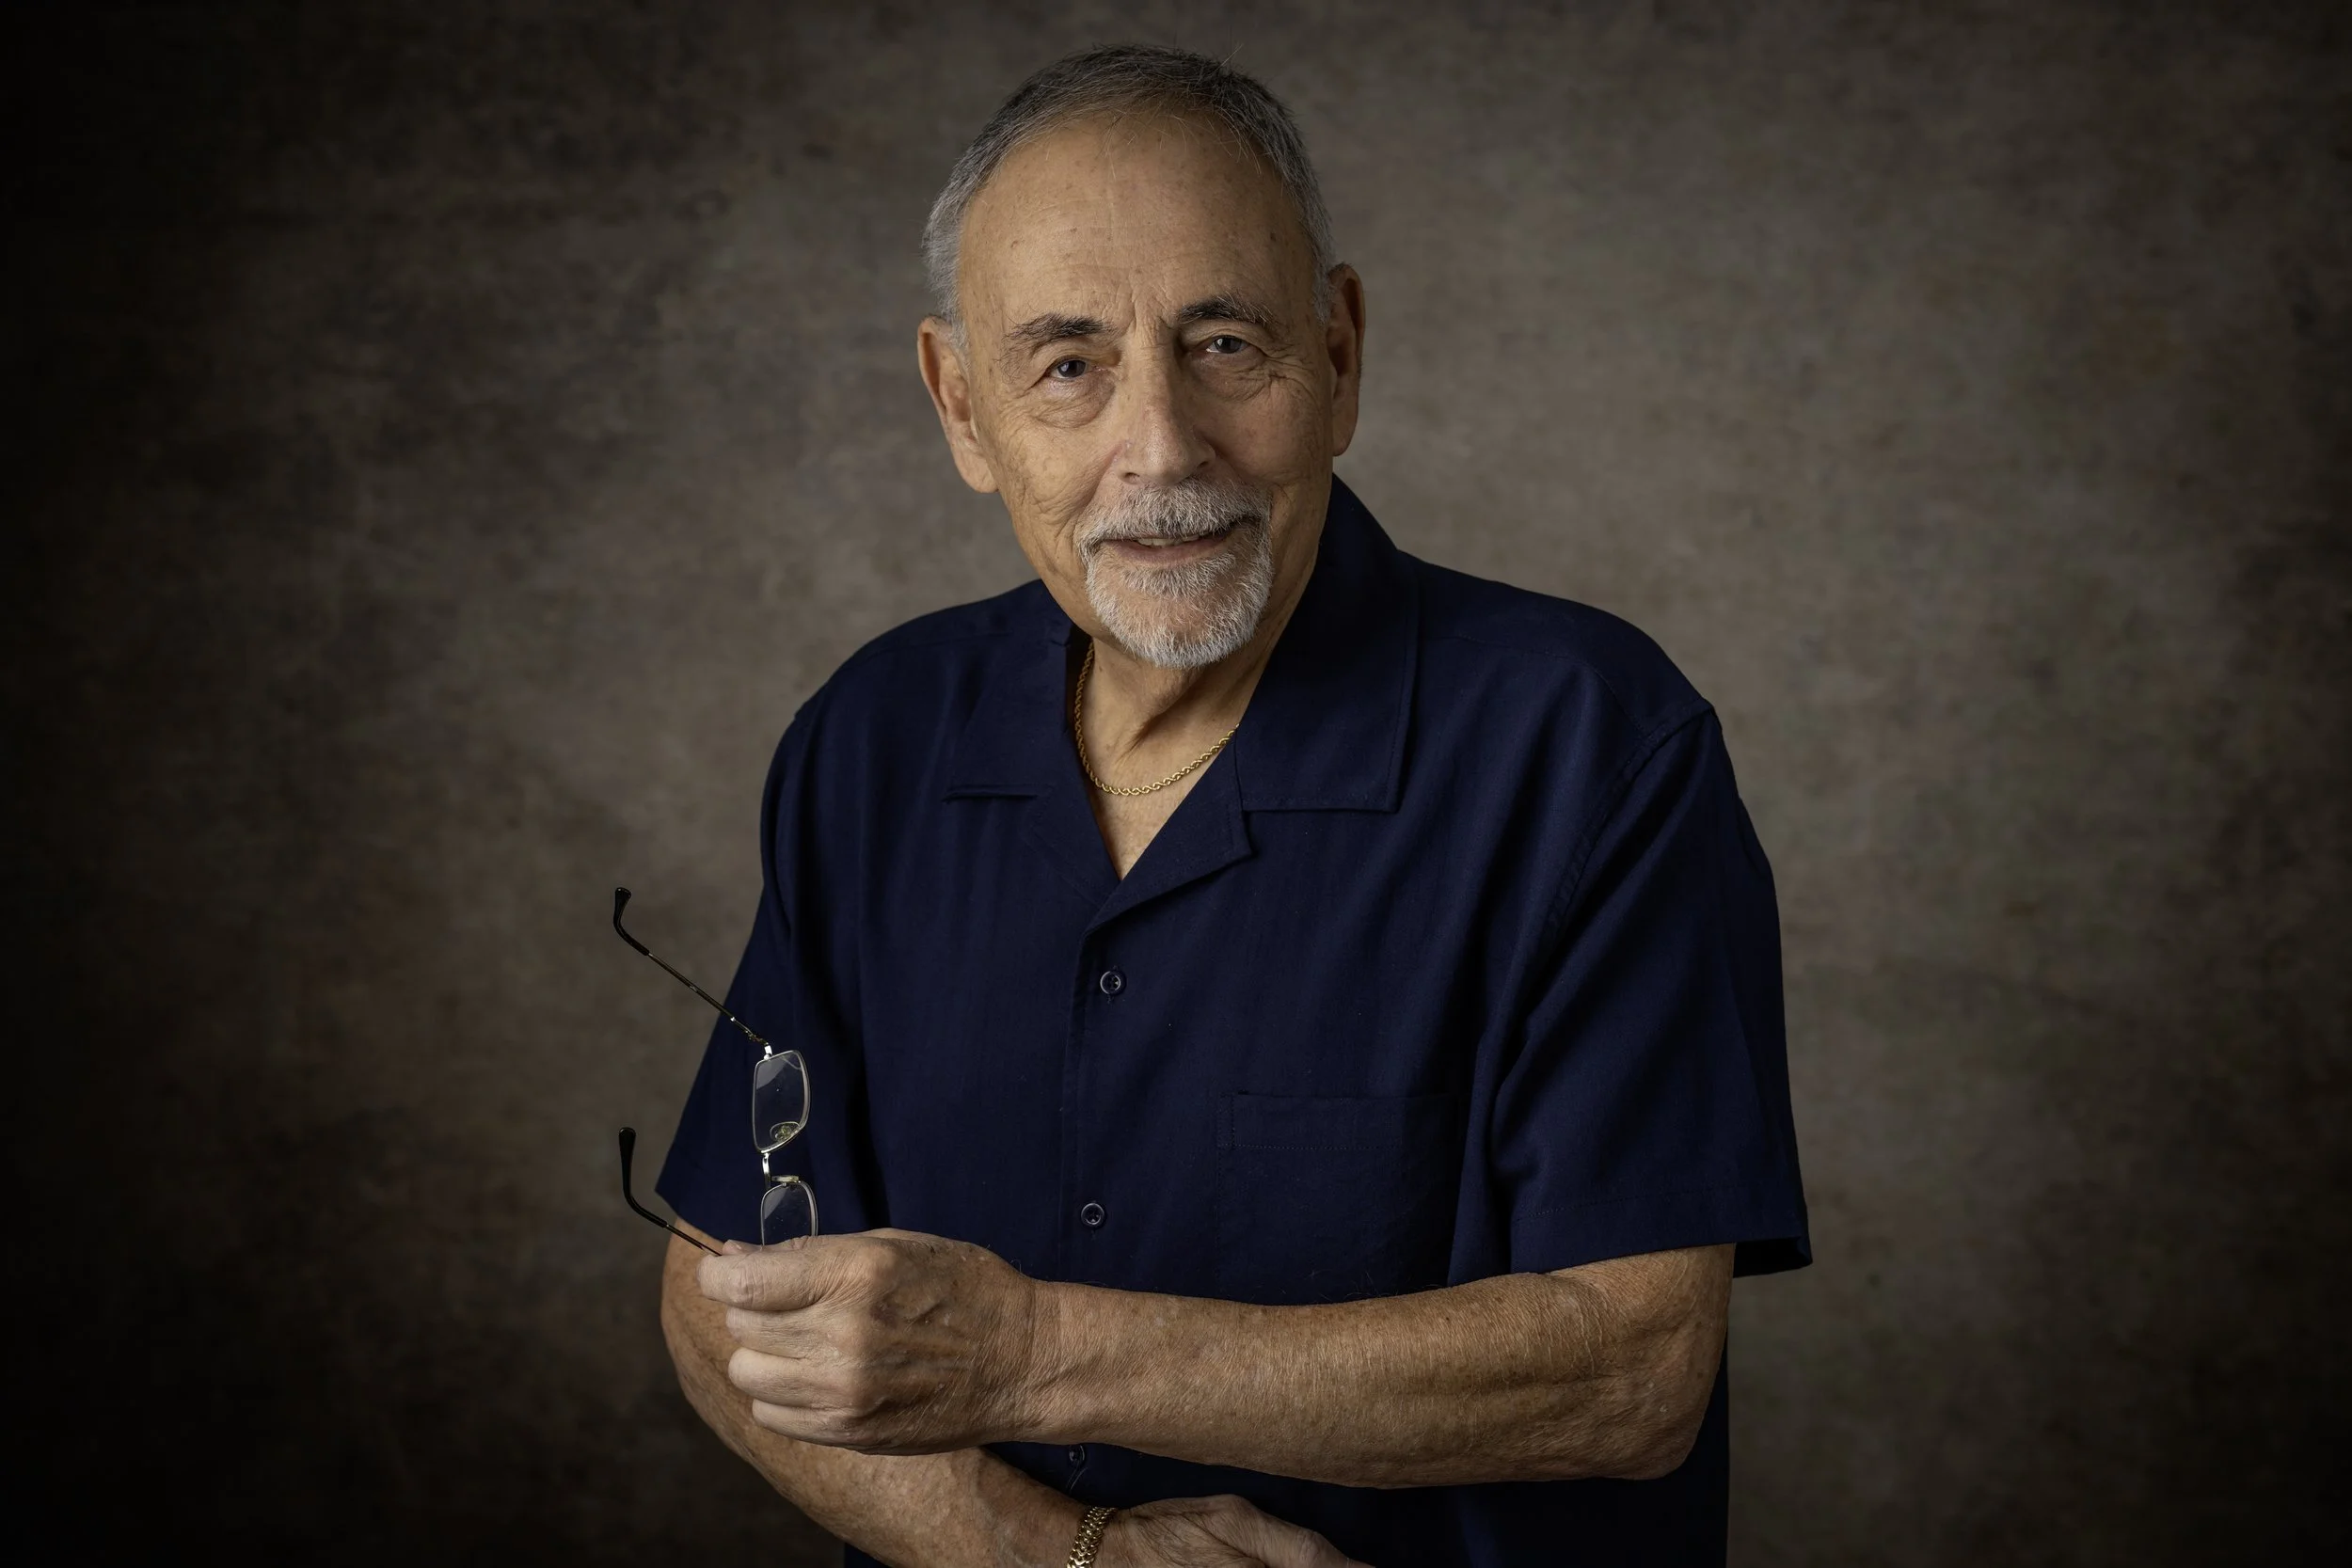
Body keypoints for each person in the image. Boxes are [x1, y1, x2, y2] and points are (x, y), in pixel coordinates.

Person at [652, 42, 1807, 1568]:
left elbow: (1632, 1369)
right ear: (961, 408)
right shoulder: (869, 743)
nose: (1164, 450)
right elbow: (721, 1294)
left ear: (1337, 352)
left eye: (1224, 345)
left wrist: (1025, 1348)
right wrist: (1060, 1555)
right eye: (1067, 364)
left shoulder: (1593, 747)